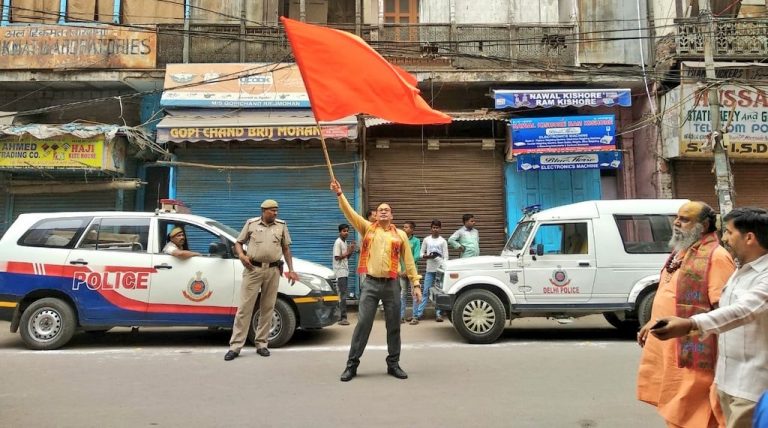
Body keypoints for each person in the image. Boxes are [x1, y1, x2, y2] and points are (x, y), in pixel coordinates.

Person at [650, 207, 768, 428]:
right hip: (725, 379)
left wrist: (691, 324)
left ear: (749, 238)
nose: (724, 238)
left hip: (752, 386)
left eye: (730, 233)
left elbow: (743, 310)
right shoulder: (741, 270)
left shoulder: (761, 274)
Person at [636, 201, 736, 428]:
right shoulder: (680, 251)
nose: (677, 223)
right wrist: (652, 320)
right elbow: (668, 293)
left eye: (685, 219)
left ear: (704, 225)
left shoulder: (716, 256)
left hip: (695, 351)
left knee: (695, 411)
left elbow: (725, 310)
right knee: (676, 407)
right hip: (670, 348)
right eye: (677, 218)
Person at [330, 179, 421, 382]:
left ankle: (393, 364)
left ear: (392, 215)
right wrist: (340, 194)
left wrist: (416, 284)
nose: (383, 211)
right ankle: (351, 365)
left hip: (392, 285)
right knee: (363, 324)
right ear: (375, 214)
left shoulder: (400, 235)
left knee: (394, 325)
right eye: (380, 209)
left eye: (386, 209)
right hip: (370, 284)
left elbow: (409, 262)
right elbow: (350, 213)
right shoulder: (367, 228)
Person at [224, 199, 300, 361]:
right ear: (264, 211)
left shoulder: (281, 226)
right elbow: (238, 243)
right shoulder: (251, 224)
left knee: (268, 307)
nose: (275, 213)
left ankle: (262, 343)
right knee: (245, 308)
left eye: (277, 210)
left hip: (272, 270)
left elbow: (286, 249)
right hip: (253, 270)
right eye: (272, 210)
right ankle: (236, 346)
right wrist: (242, 256)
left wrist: (291, 269)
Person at [418, 220, 449, 322]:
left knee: (439, 293)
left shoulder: (443, 241)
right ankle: (418, 314)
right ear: (431, 228)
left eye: (437, 227)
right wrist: (428, 256)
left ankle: (438, 314)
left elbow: (446, 257)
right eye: (433, 227)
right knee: (426, 291)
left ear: (440, 229)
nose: (435, 229)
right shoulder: (427, 240)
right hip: (429, 270)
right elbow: (421, 254)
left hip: (440, 270)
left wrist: (442, 263)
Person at [333, 223, 356, 326]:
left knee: (342, 294)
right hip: (340, 272)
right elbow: (337, 257)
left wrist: (351, 250)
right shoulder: (338, 242)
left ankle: (340, 317)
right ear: (340, 232)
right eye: (344, 231)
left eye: (347, 231)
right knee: (342, 295)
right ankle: (343, 318)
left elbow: (346, 257)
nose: (346, 233)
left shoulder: (344, 242)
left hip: (344, 271)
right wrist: (349, 251)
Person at [400, 221, 421, 324]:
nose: (404, 229)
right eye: (403, 227)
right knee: (402, 294)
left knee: (414, 294)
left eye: (407, 227)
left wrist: (407, 270)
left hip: (412, 272)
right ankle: (401, 316)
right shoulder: (400, 240)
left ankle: (415, 317)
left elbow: (416, 256)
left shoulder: (416, 241)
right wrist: (400, 270)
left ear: (412, 230)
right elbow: (398, 256)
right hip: (401, 272)